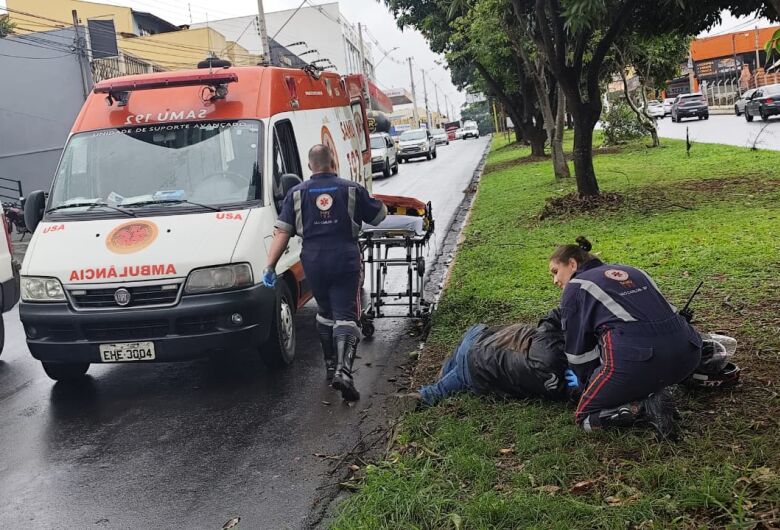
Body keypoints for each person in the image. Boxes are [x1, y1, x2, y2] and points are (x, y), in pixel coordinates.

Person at [263, 145, 387, 402]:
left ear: (310, 167)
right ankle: (344, 371)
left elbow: (283, 233)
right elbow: (378, 217)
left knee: (325, 312)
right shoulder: (351, 188)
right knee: (347, 315)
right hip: (344, 257)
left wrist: (269, 266)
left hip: (313, 260)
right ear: (334, 162)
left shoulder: (296, 194)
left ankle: (331, 366)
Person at [550, 236, 702, 438]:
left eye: (555, 271)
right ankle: (651, 388)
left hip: (639, 359)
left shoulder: (576, 286)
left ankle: (642, 408)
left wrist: (588, 385)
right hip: (689, 352)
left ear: (572, 263)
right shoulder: (633, 271)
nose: (555, 280)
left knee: (585, 418)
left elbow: (579, 353)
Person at [416, 309, 568, 405]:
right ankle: (431, 391)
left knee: (471, 348)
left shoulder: (549, 349)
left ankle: (439, 382)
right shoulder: (566, 380)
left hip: (478, 355)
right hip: (481, 366)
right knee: (462, 372)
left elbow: (555, 317)